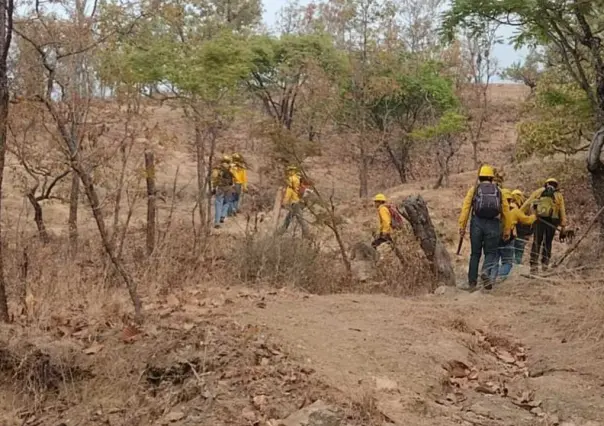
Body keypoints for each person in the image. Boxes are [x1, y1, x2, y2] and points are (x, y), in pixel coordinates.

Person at [458, 165, 512, 291]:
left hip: (477, 223)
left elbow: (466, 208)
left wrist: (462, 225)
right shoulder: (499, 191)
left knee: (475, 254)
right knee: (491, 252)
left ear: (480, 177)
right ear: (491, 178)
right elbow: (506, 211)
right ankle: (486, 272)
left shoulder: (474, 189)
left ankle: (472, 283)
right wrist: (507, 229)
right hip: (493, 224)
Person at [521, 177, 567, 275]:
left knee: (537, 241)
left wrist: (519, 213)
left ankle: (533, 266)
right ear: (556, 185)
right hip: (552, 222)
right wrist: (563, 225)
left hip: (539, 220)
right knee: (548, 242)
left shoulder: (539, 192)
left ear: (546, 183)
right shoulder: (558, 195)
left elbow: (528, 203)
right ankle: (545, 265)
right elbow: (562, 210)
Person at [496, 189, 536, 281]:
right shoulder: (516, 209)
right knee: (512, 258)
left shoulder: (498, 208)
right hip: (511, 236)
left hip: (496, 235)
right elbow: (527, 220)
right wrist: (536, 215)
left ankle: (493, 275)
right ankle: (504, 276)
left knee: (496, 258)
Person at [280, 165, 309, 238]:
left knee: (300, 219)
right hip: (300, 202)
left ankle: (307, 235)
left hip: (295, 202)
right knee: (288, 219)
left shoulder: (291, 180)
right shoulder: (298, 178)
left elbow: (289, 193)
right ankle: (279, 232)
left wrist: (284, 202)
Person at [211, 155, 234, 228]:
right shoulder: (231, 168)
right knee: (227, 202)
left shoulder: (217, 168)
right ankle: (223, 216)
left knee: (218, 204)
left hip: (220, 188)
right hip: (229, 188)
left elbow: (214, 178)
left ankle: (217, 222)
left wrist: (214, 187)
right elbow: (235, 178)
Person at [511, 189, 531, 264]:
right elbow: (529, 220)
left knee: (510, 248)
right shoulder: (526, 206)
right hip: (523, 232)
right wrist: (529, 233)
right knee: (519, 249)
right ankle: (517, 263)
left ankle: (510, 264)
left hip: (512, 231)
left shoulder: (510, 204)